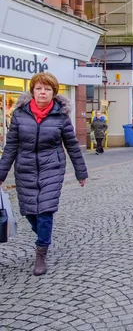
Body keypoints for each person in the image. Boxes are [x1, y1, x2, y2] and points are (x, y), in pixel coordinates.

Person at [0, 73, 87, 276]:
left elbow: (72, 146)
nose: (43, 93)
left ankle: (41, 253)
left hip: (52, 169)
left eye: (47, 89)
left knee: (45, 210)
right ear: (32, 91)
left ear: (53, 93)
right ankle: (43, 236)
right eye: (39, 88)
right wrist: (1, 173)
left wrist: (80, 172)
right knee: (30, 212)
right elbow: (11, 146)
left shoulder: (61, 116)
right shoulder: (20, 115)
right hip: (25, 169)